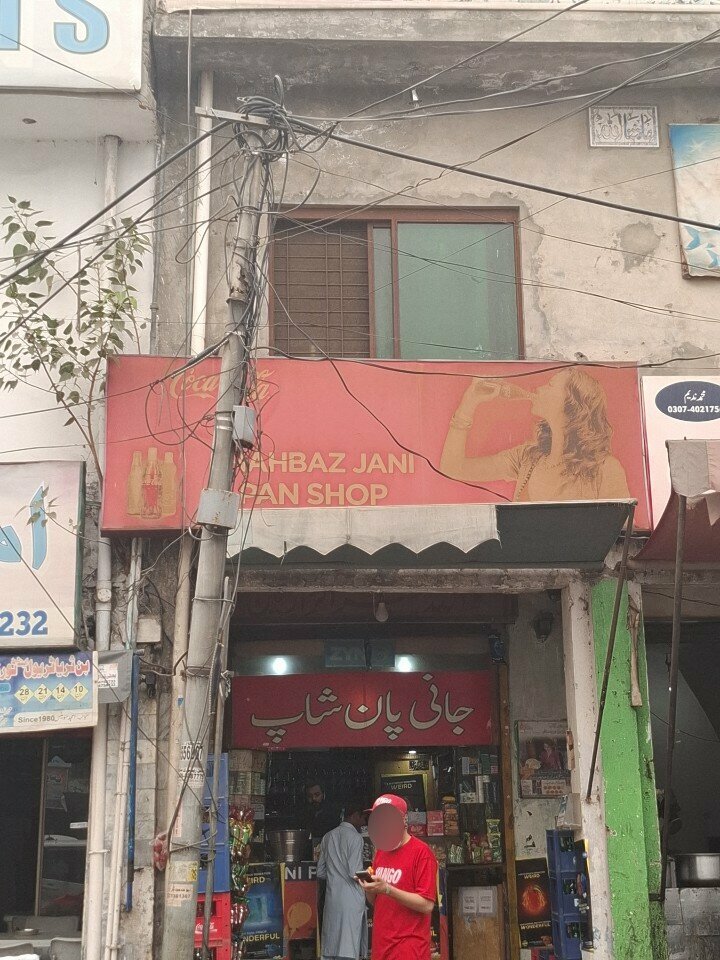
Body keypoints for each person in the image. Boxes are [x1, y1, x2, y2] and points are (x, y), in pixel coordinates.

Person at [440, 368, 631, 502]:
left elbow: (619, 535)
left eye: (550, 385)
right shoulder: (526, 458)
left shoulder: (605, 469)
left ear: (572, 404)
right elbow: (452, 468)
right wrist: (469, 403)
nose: (539, 389)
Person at [359, 794, 437, 960]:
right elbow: (375, 901)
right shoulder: (381, 851)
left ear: (403, 820)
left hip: (409, 949)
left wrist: (388, 889)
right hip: (382, 946)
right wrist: (369, 887)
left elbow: (427, 905)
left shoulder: (422, 853)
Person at [317, 800, 369, 960]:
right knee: (348, 947)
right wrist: (370, 877)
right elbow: (354, 872)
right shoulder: (356, 838)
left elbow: (320, 872)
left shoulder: (328, 836)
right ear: (355, 815)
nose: (364, 822)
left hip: (332, 899)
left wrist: (335, 875)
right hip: (351, 900)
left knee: (331, 947)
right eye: (363, 818)